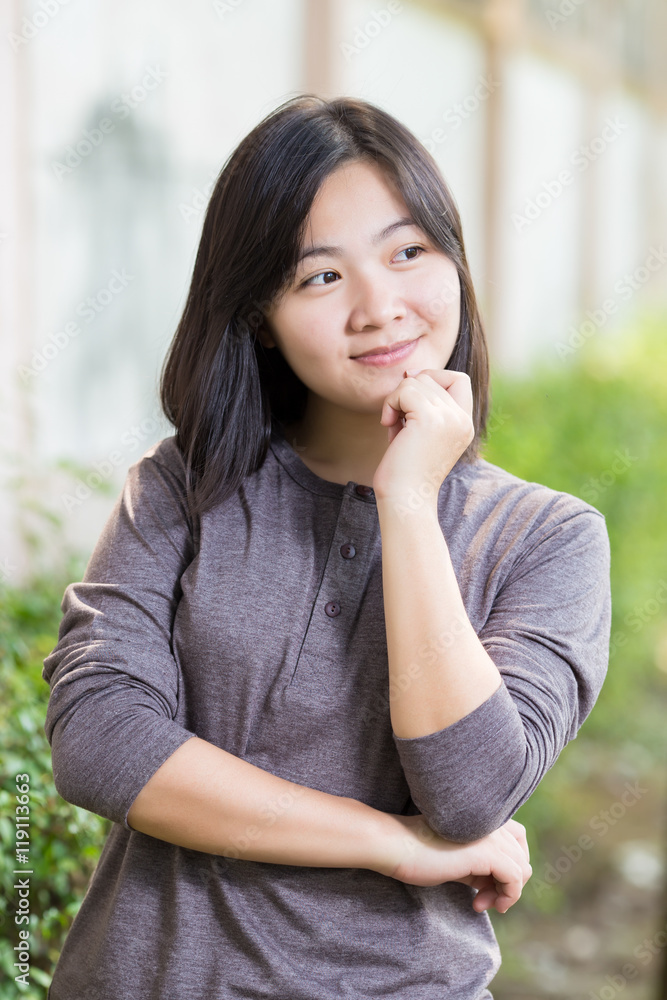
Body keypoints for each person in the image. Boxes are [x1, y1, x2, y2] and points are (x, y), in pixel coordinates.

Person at [42, 94, 611, 999]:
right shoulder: (181, 492)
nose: (380, 308)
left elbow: (468, 796)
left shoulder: (548, 540)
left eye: (408, 251)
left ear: (454, 261)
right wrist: (389, 843)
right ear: (260, 313)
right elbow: (100, 742)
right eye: (320, 277)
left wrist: (409, 500)